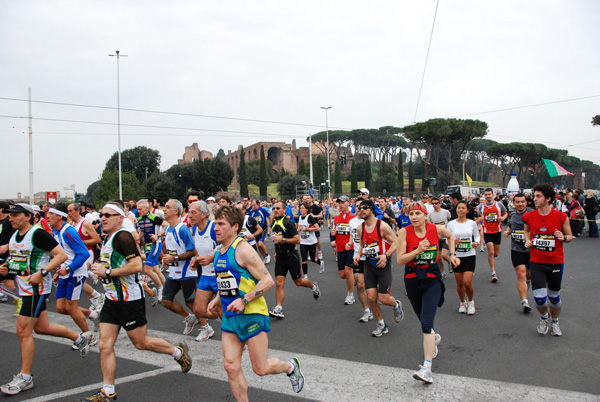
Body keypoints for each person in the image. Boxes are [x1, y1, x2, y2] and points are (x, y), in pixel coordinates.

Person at [84, 201, 192, 401]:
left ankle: (177, 352)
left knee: (141, 343)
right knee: (104, 344)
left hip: (129, 299)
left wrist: (108, 272)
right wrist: (102, 272)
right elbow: (115, 265)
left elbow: (136, 266)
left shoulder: (123, 236)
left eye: (108, 215)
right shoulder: (108, 238)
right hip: (111, 299)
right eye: (102, 215)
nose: (103, 218)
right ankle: (108, 391)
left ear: (119, 218)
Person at [206, 205, 304, 401]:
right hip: (230, 316)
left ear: (235, 227)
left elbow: (267, 280)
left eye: (220, 224)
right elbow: (228, 281)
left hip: (252, 313)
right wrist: (217, 299)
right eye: (215, 224)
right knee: (230, 366)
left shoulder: (243, 250)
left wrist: (244, 300)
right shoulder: (218, 251)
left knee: (261, 368)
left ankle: (290, 367)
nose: (215, 228)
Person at [0, 204, 92, 396]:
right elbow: (18, 259)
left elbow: (62, 255)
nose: (11, 219)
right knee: (42, 327)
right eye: (10, 215)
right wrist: (7, 267)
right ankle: (79, 338)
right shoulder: (14, 236)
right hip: (24, 287)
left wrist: (42, 272)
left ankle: (25, 377)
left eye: (16, 215)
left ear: (28, 216)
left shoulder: (38, 234)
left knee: (22, 330)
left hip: (36, 289)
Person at [396, 202, 460, 384]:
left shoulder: (435, 229)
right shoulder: (404, 232)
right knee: (423, 321)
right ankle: (434, 336)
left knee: (426, 321)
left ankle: (426, 368)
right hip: (412, 278)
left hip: (432, 278)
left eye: (418, 213)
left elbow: (450, 235)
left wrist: (452, 255)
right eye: (411, 214)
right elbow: (400, 260)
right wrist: (417, 251)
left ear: (425, 215)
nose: (414, 217)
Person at [523, 184, 572, 337]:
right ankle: (544, 317)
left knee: (554, 297)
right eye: (534, 195)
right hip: (537, 262)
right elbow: (526, 231)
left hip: (555, 262)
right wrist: (527, 240)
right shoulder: (529, 216)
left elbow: (569, 236)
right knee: (539, 298)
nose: (534, 199)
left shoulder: (561, 216)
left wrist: (563, 237)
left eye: (538, 196)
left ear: (548, 198)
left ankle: (555, 321)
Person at [48, 203, 100, 342]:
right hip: (66, 273)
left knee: (71, 308)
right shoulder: (57, 232)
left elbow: (83, 253)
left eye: (50, 215)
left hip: (75, 273)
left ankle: (89, 336)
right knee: (60, 308)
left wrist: (68, 268)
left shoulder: (68, 231)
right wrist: (59, 271)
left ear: (59, 216)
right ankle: (93, 314)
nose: (47, 217)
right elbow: (65, 254)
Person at [353, 199, 404, 337]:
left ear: (371, 209)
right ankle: (381, 324)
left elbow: (396, 242)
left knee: (384, 299)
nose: (361, 210)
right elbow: (363, 246)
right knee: (371, 297)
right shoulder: (360, 228)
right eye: (359, 208)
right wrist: (358, 255)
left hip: (383, 265)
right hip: (369, 264)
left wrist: (386, 255)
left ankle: (396, 305)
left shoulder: (382, 226)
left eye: (364, 208)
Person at [268, 201, 320, 318]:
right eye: (274, 208)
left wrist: (283, 240)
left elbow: (297, 240)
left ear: (284, 210)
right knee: (279, 283)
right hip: (281, 257)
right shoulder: (274, 223)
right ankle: (278, 308)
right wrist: (277, 251)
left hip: (291, 256)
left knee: (298, 282)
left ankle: (314, 286)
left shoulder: (288, 223)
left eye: (278, 208)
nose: (275, 210)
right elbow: (276, 239)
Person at [159, 199, 199, 336]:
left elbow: (193, 251)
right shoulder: (167, 228)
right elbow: (170, 249)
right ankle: (189, 318)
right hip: (173, 272)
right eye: (164, 207)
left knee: (192, 304)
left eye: (167, 207)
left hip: (187, 272)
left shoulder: (182, 229)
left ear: (176, 211)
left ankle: (207, 328)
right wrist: (166, 259)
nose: (164, 209)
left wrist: (174, 258)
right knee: (165, 301)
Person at [189, 200, 219, 342]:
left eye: (193, 212)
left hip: (221, 275)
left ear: (204, 214)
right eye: (189, 212)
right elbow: (199, 250)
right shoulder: (195, 229)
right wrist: (195, 259)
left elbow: (226, 248)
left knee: (221, 309)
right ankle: (212, 326)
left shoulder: (214, 228)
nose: (189, 215)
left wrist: (211, 258)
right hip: (206, 275)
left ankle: (235, 335)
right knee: (199, 310)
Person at [447, 200, 480, 315]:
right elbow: (448, 239)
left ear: (467, 210)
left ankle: (470, 301)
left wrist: (476, 242)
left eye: (463, 208)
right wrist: (453, 242)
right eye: (458, 208)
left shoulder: (472, 223)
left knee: (467, 282)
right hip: (456, 256)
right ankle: (462, 302)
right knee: (460, 283)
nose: (460, 210)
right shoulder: (451, 224)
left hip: (469, 254)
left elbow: (476, 235)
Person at [503, 193, 533, 313]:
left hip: (531, 250)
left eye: (522, 202)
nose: (520, 204)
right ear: (514, 203)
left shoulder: (532, 214)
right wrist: (508, 232)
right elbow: (511, 226)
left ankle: (528, 281)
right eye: (518, 202)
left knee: (528, 275)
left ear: (526, 202)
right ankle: (524, 301)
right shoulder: (513, 214)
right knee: (520, 274)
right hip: (517, 249)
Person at [347, 198, 373, 322]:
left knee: (373, 287)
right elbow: (352, 235)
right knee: (361, 285)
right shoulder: (352, 222)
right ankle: (366, 310)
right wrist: (349, 242)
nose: (360, 209)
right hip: (358, 257)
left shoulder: (372, 222)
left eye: (362, 207)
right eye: (357, 206)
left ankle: (373, 305)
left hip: (372, 256)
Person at [137, 199, 167, 302]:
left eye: (140, 209)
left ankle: (160, 288)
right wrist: (135, 238)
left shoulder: (154, 217)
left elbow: (167, 225)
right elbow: (141, 233)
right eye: (137, 210)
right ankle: (166, 288)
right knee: (156, 270)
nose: (139, 211)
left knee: (147, 269)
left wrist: (158, 235)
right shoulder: (140, 219)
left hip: (156, 245)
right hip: (147, 246)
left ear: (146, 208)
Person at [476, 188, 508, 283]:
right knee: (491, 251)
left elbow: (506, 213)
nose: (488, 196)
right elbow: (479, 217)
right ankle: (493, 273)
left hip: (497, 231)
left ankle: (492, 262)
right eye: (486, 195)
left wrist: (503, 217)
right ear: (484, 196)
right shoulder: (481, 206)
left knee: (495, 253)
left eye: (489, 194)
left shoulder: (498, 204)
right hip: (487, 231)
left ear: (493, 194)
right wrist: (478, 225)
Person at [331, 195, 357, 305]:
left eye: (343, 202)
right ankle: (355, 279)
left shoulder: (354, 217)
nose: (340, 205)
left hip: (351, 248)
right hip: (340, 248)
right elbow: (333, 231)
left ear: (348, 203)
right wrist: (333, 237)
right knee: (342, 275)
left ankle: (350, 295)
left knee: (348, 271)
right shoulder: (336, 218)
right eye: (339, 203)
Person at [0, 200, 21, 317]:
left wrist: (7, 246)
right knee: (9, 285)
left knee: (8, 283)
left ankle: (20, 299)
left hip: (9, 256)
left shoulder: (9, 222)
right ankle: (19, 300)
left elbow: (17, 236)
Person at [296, 203, 325, 276]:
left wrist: (307, 229)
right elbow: (299, 229)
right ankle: (305, 276)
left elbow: (317, 228)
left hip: (311, 242)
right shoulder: (299, 218)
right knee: (304, 260)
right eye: (300, 208)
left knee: (313, 259)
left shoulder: (309, 217)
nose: (301, 209)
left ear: (307, 210)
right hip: (303, 242)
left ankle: (320, 263)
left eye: (303, 208)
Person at [427, 197, 452, 278]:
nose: (434, 205)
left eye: (436, 203)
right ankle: (443, 272)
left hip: (445, 237)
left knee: (444, 255)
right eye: (433, 203)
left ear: (440, 203)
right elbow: (429, 225)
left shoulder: (446, 212)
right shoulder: (430, 215)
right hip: (437, 238)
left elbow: (450, 221)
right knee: (438, 257)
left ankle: (449, 261)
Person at [249, 199, 271, 264]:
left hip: (263, 228)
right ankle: (264, 257)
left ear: (258, 204)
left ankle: (267, 255)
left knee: (260, 243)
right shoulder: (251, 212)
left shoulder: (262, 210)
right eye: (252, 205)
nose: (253, 207)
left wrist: (270, 226)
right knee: (258, 245)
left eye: (254, 205)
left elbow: (270, 217)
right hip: (256, 230)